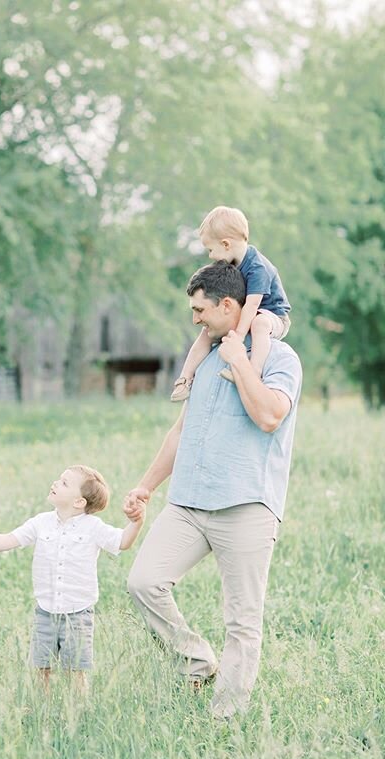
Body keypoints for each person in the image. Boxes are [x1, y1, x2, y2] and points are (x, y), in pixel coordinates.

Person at [125, 261, 302, 720]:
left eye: (200, 310)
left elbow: (269, 416)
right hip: (188, 502)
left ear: (229, 305)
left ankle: (225, 719)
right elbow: (181, 431)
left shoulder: (280, 359)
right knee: (143, 582)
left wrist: (241, 362)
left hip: (246, 505)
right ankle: (195, 660)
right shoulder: (203, 358)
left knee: (242, 621)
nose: (195, 319)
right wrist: (145, 486)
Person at [0, 465, 146, 693]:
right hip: (46, 612)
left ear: (79, 502)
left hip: (78, 613)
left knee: (75, 670)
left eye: (64, 483)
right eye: (59, 479)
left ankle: (78, 711)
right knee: (41, 667)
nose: (55, 483)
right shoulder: (41, 522)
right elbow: (12, 539)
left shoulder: (93, 528)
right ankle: (45, 712)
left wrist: (136, 522)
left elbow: (122, 542)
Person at [171, 205, 291, 401]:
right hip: (251, 313)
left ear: (226, 244)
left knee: (258, 323)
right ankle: (185, 378)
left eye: (211, 250)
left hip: (273, 315)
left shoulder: (257, 267)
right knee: (206, 333)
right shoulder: (234, 263)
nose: (210, 256)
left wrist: (238, 337)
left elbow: (252, 306)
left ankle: (253, 370)